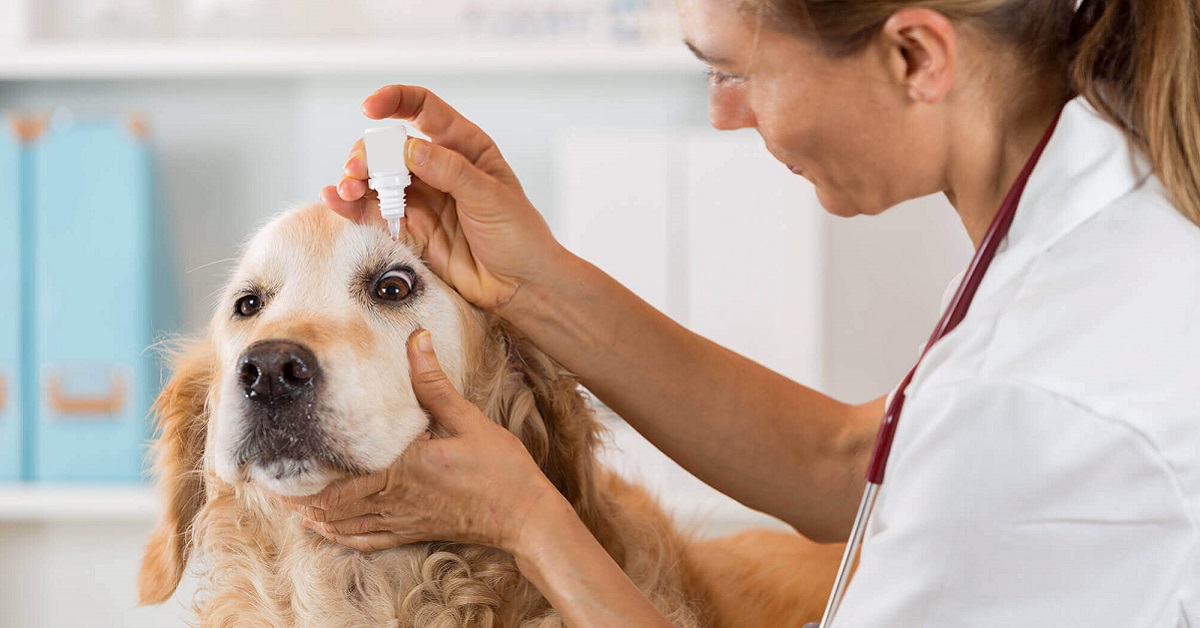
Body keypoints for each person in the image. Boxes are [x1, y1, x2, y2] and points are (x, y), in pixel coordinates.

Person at [283, 0, 1200, 624]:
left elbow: (959, 446)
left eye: (732, 72)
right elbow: (850, 464)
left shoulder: (1042, 395)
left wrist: (529, 520)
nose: (724, 115)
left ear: (915, 56)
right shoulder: (1115, 220)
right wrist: (530, 282)